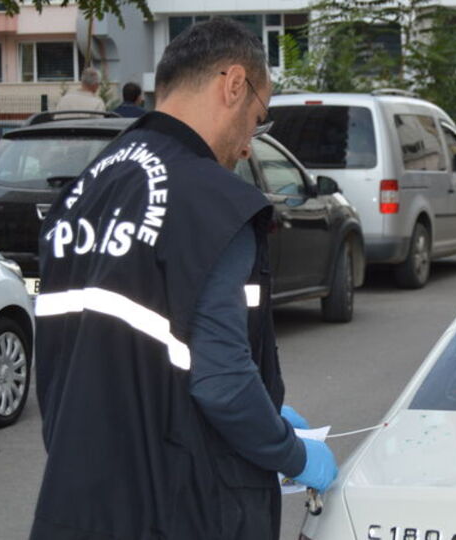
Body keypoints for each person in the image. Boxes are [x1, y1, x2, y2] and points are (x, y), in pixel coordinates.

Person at [30, 18, 337, 540]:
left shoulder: (87, 189)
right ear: (233, 84)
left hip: (77, 501)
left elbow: (114, 349)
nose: (247, 146)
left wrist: (264, 408)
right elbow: (220, 381)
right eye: (258, 119)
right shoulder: (212, 203)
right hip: (177, 506)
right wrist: (288, 448)